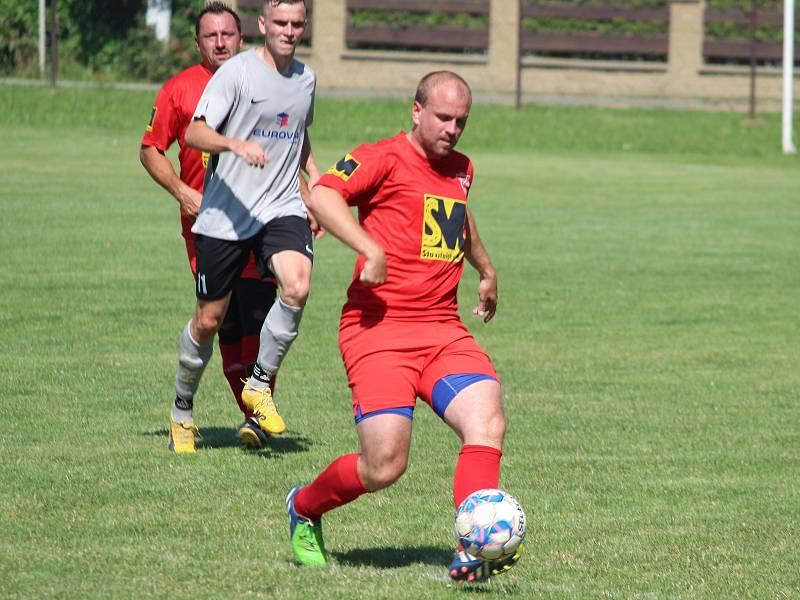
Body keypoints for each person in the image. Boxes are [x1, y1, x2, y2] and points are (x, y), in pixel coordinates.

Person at [286, 71, 520, 583]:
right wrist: (369, 247)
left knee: (488, 423)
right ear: (416, 111)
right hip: (378, 331)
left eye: (461, 121)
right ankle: (303, 507)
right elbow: (322, 194)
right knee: (385, 466)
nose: (453, 129)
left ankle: (472, 547)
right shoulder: (381, 157)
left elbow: (458, 215)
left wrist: (486, 268)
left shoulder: (461, 168)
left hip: (442, 330)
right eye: (443, 118)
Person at [171, 0, 318, 454]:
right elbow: (195, 133)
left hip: (279, 209)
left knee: (297, 286)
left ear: (303, 26)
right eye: (280, 23)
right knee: (209, 320)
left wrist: (314, 184)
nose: (288, 31)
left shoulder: (306, 79)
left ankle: (258, 385)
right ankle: (182, 408)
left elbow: (297, 133)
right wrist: (234, 143)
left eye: (296, 24)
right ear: (262, 25)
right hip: (225, 216)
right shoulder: (235, 73)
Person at [140, 2, 283, 452]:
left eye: (228, 34)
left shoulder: (266, 82)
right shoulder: (179, 89)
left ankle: (254, 417)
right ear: (198, 42)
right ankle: (184, 411)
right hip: (208, 227)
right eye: (210, 36)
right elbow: (150, 149)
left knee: (259, 317)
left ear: (241, 39)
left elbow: (288, 141)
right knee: (220, 320)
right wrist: (183, 192)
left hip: (260, 219)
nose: (220, 42)